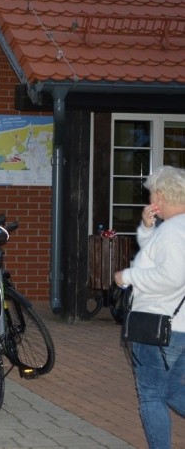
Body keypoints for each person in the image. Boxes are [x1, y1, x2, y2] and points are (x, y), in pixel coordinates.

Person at [115, 165, 185, 449]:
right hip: (179, 327)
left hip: (159, 325)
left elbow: (170, 275)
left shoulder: (172, 231)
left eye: (152, 192)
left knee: (151, 396)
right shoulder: (171, 229)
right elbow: (157, 257)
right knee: (169, 390)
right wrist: (147, 228)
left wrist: (127, 277)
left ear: (161, 193)